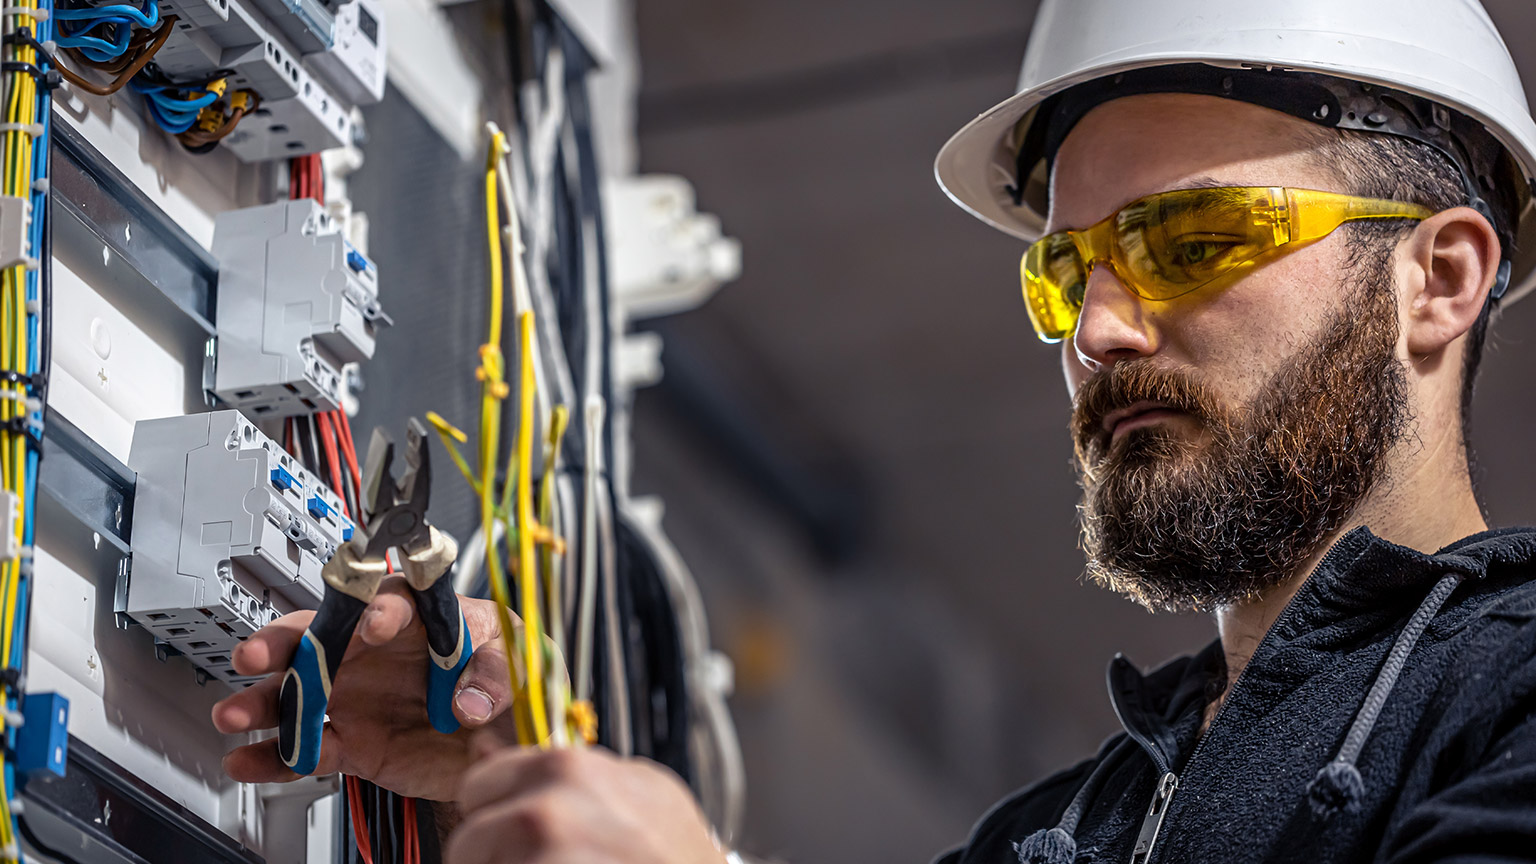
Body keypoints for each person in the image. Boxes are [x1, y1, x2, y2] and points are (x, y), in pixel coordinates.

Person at [212, 0, 1536, 861]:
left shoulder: (1507, 706)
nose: (1100, 332)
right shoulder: (1060, 834)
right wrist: (492, 799)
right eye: (1067, 275)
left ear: (1441, 279)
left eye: (1190, 241)